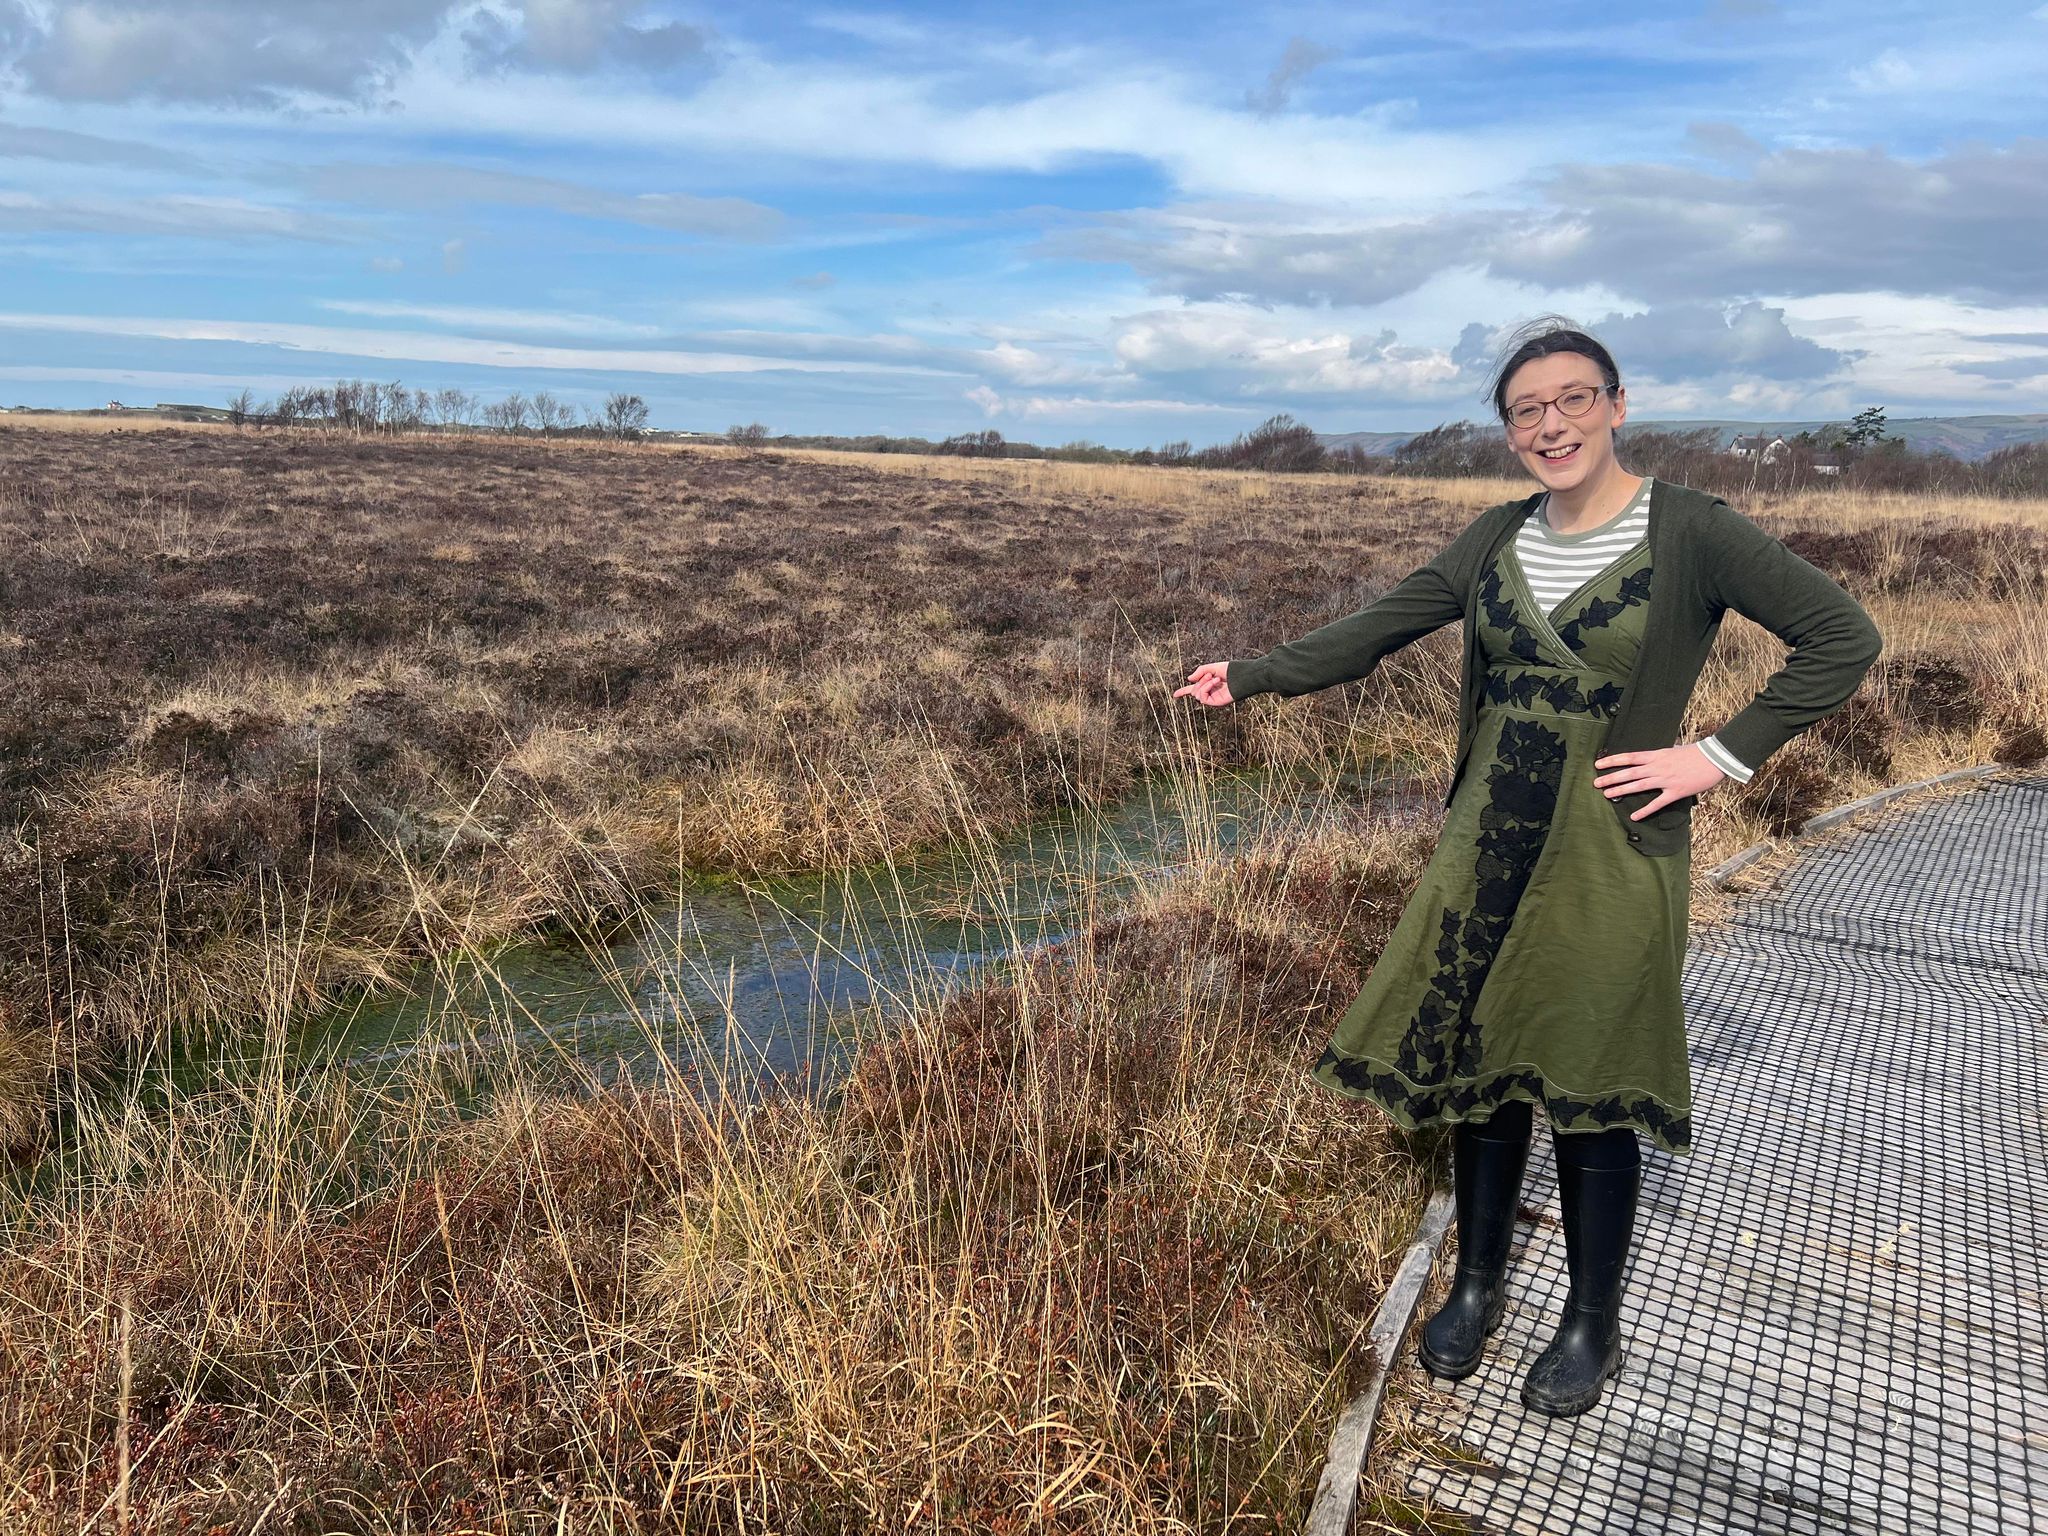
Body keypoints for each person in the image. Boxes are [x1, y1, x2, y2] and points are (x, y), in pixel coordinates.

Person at [1174, 316, 1882, 1417]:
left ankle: (1590, 1322)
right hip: (1485, 837)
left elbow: (1840, 636)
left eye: (1569, 399)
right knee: (1481, 1062)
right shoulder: (1495, 539)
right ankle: (1476, 1282)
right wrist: (1252, 673)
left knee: (1590, 1080)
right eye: (1524, 410)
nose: (1548, 424)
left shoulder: (1691, 529)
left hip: (1608, 845)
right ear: (1507, 429)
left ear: (1613, 403)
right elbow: (1376, 628)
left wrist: (1714, 756)